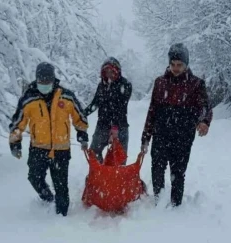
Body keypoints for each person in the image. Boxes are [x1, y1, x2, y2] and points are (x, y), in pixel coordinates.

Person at [9, 62, 90, 216]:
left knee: (61, 186)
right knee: (34, 178)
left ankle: (62, 217)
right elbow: (17, 123)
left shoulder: (66, 96)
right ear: (37, 80)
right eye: (41, 81)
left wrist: (82, 133)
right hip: (38, 149)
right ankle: (47, 198)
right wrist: (15, 143)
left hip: (61, 150)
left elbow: (80, 117)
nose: (44, 84)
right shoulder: (29, 98)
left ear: (53, 80)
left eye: (48, 81)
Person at [140, 43, 212, 207]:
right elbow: (152, 111)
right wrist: (145, 137)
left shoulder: (196, 84)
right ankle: (159, 201)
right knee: (157, 169)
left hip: (183, 136)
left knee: (178, 172)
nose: (176, 68)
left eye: (180, 65)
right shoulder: (160, 83)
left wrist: (203, 121)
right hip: (160, 133)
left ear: (186, 65)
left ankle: (175, 206)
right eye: (173, 64)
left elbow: (205, 107)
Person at [84, 57, 133, 163]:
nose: (109, 74)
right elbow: (95, 103)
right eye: (106, 71)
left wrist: (115, 127)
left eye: (112, 71)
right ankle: (100, 175)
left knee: (120, 158)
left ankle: (116, 178)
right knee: (93, 152)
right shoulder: (101, 85)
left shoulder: (125, 85)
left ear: (117, 71)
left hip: (120, 127)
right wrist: (82, 114)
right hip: (102, 125)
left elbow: (121, 107)